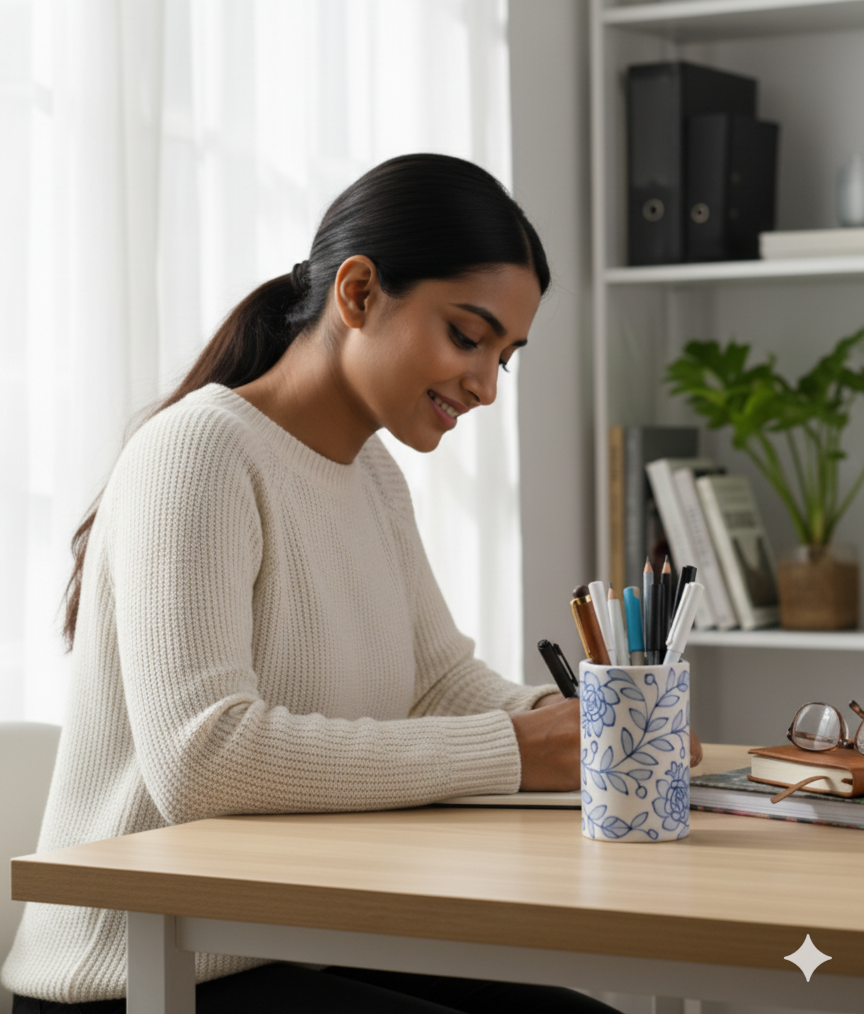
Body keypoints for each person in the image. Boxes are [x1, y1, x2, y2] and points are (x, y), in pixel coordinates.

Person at [5, 155, 696, 1013]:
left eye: (504, 357)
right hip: (135, 970)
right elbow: (202, 760)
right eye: (468, 336)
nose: (484, 385)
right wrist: (519, 753)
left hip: (280, 940)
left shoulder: (369, 473)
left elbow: (438, 682)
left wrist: (601, 726)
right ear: (359, 292)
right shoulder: (199, 453)